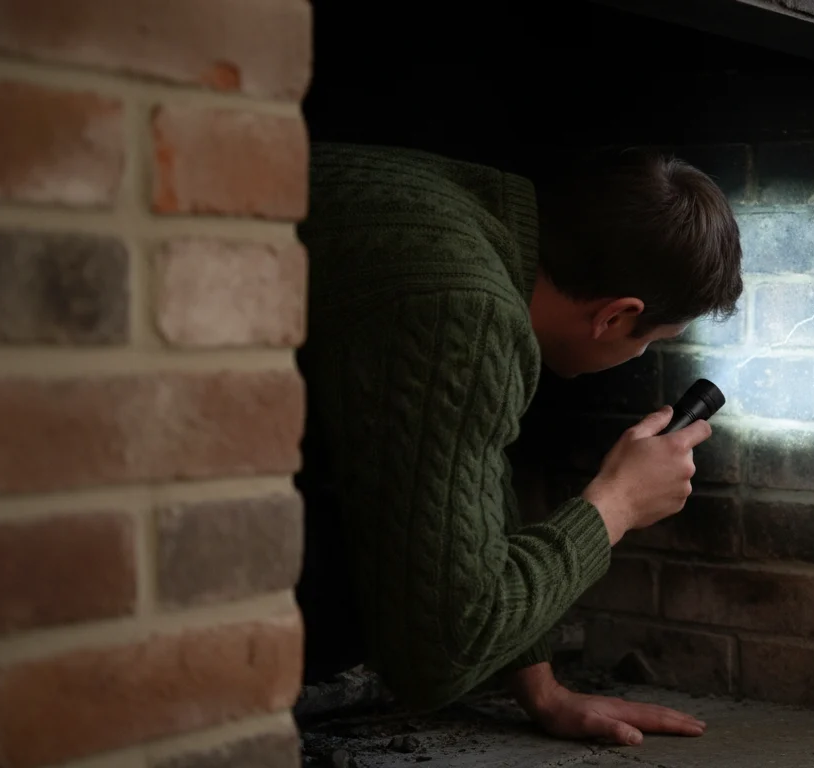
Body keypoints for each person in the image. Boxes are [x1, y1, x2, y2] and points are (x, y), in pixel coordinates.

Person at [292, 141, 744, 746]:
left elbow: (456, 460)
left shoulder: (474, 206)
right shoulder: (465, 307)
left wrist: (540, 684)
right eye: (652, 340)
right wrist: (615, 507)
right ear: (614, 316)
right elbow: (441, 654)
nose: (641, 354)